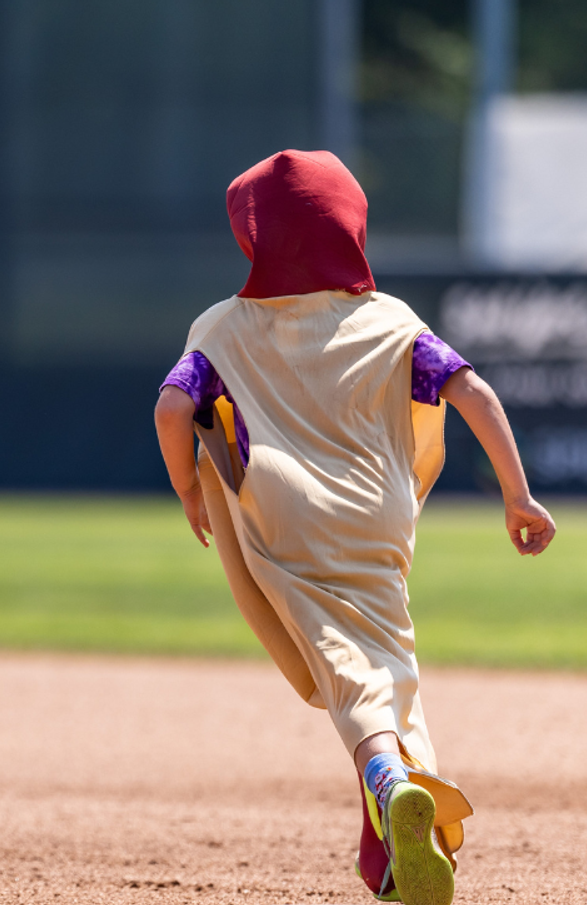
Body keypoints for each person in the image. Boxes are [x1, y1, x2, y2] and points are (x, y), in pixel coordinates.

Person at [153, 150, 555, 905]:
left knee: (347, 672)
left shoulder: (222, 325)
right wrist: (517, 494)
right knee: (382, 658)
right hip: (380, 509)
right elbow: (472, 388)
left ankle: (388, 778)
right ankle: (409, 846)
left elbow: (173, 408)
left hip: (283, 512)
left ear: (253, 236)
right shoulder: (391, 319)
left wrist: (188, 487)